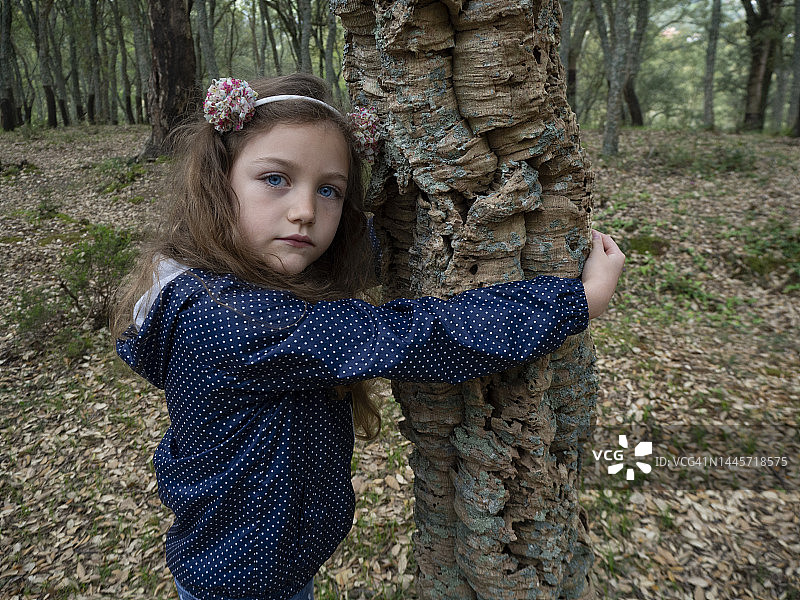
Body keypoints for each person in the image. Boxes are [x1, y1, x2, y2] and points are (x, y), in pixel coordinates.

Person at [112, 73, 625, 600]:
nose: (305, 211)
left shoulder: (231, 282)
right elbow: (416, 336)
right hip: (242, 583)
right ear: (220, 182)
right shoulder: (229, 318)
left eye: (329, 189)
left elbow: (349, 265)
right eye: (275, 179)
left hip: (258, 565)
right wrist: (573, 301)